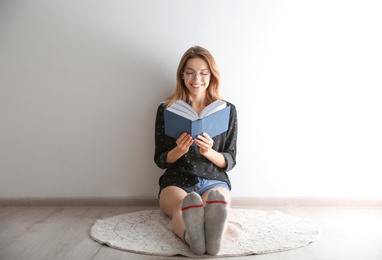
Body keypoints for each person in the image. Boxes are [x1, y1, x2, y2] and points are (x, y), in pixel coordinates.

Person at [154, 46, 238, 256]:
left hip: (214, 179)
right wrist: (179, 150)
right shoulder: (167, 109)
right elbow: (161, 159)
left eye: (203, 73)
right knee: (182, 206)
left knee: (217, 206)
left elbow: (230, 159)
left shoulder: (226, 110)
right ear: (182, 75)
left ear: (212, 76)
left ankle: (212, 238)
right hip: (176, 180)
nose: (196, 78)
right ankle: (193, 239)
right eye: (190, 72)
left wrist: (208, 151)